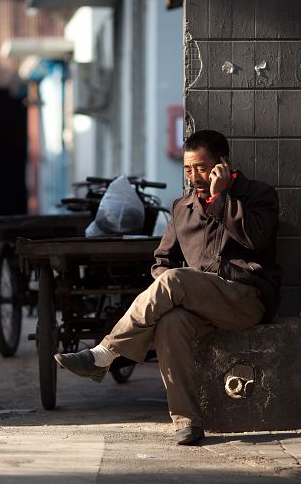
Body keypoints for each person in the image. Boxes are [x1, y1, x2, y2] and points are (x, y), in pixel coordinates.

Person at [54, 129, 282, 445]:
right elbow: (161, 260)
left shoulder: (259, 195)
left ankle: (106, 353)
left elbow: (255, 239)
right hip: (198, 302)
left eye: (201, 168)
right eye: (188, 169)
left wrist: (221, 198)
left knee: (175, 280)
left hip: (244, 298)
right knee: (171, 323)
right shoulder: (181, 207)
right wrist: (176, 294)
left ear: (221, 164)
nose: (194, 176)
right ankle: (187, 421)